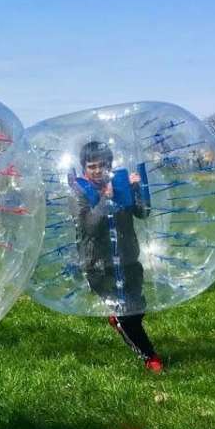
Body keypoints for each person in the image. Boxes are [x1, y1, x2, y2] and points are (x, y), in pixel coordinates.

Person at [74, 140, 161, 373]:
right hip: (99, 267)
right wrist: (106, 200)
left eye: (102, 165)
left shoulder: (120, 185)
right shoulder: (80, 191)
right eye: (92, 166)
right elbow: (89, 227)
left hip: (128, 260)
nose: (97, 170)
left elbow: (144, 213)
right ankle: (150, 357)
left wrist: (137, 190)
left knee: (137, 307)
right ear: (84, 167)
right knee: (128, 316)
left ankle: (118, 319)